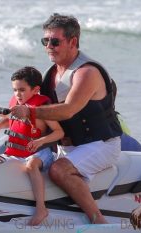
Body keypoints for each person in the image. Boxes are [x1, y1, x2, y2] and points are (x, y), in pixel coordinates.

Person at [10, 13, 123, 224]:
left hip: (101, 144)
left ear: (73, 41)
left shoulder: (86, 72)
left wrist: (30, 113)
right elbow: (35, 105)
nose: (49, 46)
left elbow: (67, 110)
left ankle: (98, 220)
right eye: (46, 41)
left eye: (55, 41)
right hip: (69, 146)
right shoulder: (51, 73)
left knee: (58, 170)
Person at [0, 66, 64, 225]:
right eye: (14, 90)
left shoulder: (41, 108)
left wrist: (40, 141)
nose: (17, 94)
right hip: (17, 151)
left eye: (22, 90)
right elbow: (10, 119)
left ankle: (41, 209)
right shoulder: (17, 103)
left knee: (31, 165)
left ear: (35, 90)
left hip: (40, 152)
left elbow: (59, 132)